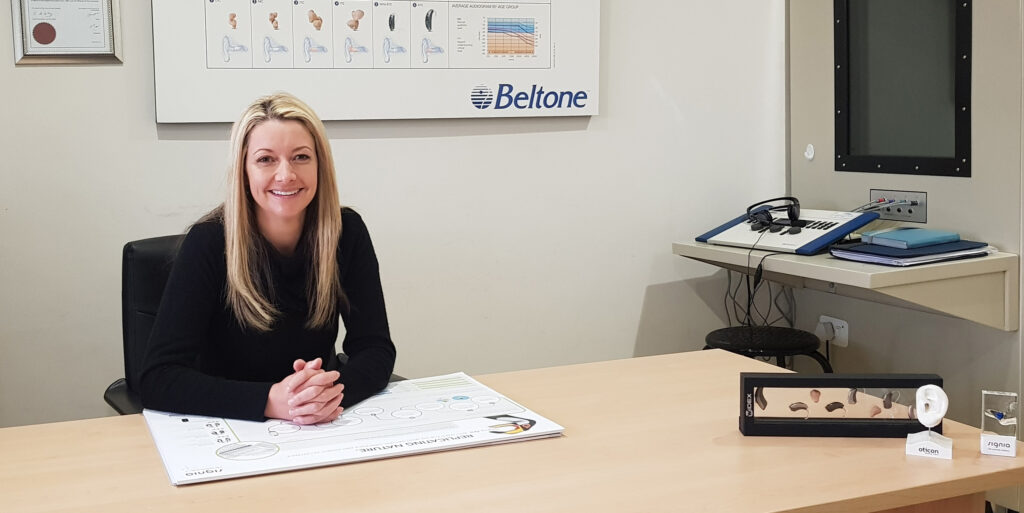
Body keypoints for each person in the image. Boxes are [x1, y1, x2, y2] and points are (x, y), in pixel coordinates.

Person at [140, 92, 396, 425]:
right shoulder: (208, 243)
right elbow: (158, 378)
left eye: (301, 157)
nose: (286, 174)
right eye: (265, 159)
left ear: (321, 164)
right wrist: (270, 401)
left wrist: (328, 393)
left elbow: (376, 348)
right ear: (244, 170)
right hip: (231, 426)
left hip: (319, 427)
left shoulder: (346, 232)